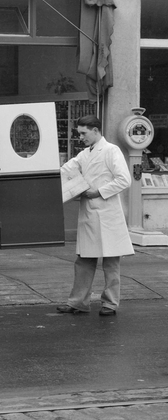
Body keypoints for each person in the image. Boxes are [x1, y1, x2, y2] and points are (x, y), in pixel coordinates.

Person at [57, 115, 133, 316]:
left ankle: (110, 303)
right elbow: (65, 170)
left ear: (96, 130)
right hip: (90, 214)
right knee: (84, 260)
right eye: (79, 133)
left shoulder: (111, 150)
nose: (80, 137)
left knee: (111, 262)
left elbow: (124, 180)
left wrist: (98, 191)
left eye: (83, 133)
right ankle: (78, 301)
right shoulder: (84, 154)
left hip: (108, 214)